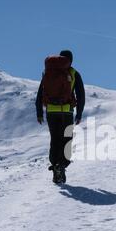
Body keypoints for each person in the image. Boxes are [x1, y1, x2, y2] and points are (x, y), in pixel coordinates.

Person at [35, 50, 85, 184]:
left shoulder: (48, 72)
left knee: (55, 138)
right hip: (67, 112)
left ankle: (55, 164)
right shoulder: (74, 73)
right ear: (71, 60)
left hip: (51, 111)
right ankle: (62, 165)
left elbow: (40, 93)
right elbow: (81, 95)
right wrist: (79, 113)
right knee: (66, 139)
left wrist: (39, 112)